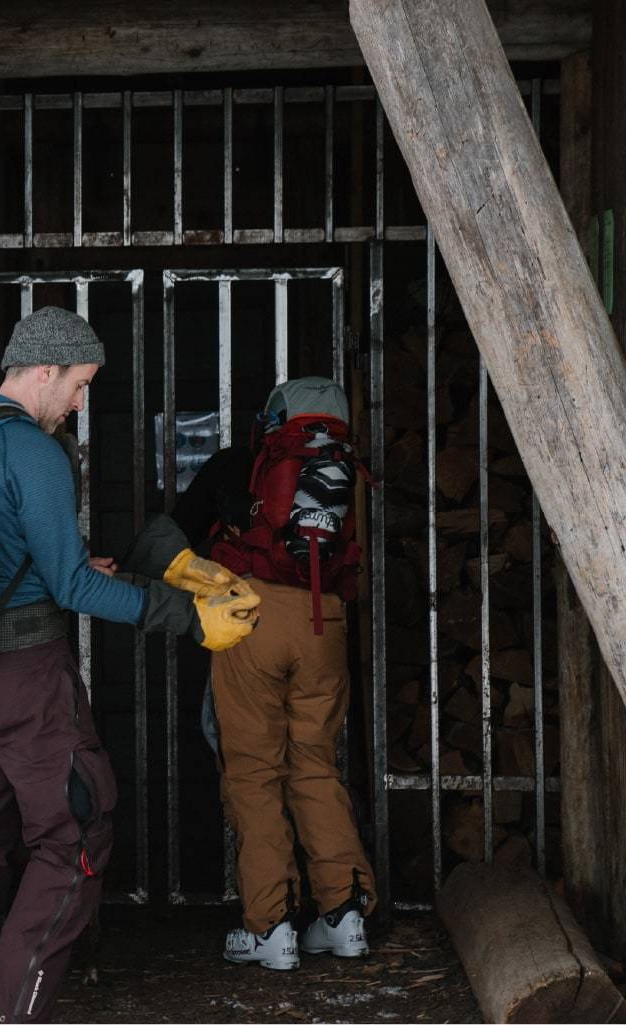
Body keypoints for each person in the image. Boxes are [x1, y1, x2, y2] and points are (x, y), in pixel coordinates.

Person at [0, 306, 262, 1023]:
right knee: (75, 833)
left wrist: (75, 569)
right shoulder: (31, 450)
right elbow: (72, 588)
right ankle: (6, 1015)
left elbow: (3, 558)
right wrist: (186, 615)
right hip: (24, 678)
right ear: (42, 371)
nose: (80, 403)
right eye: (78, 385)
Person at [171, 376, 377, 971]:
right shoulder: (349, 473)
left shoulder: (240, 465)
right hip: (325, 624)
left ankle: (272, 926)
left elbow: (179, 533)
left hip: (252, 618)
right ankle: (344, 916)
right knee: (315, 766)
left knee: (255, 773)